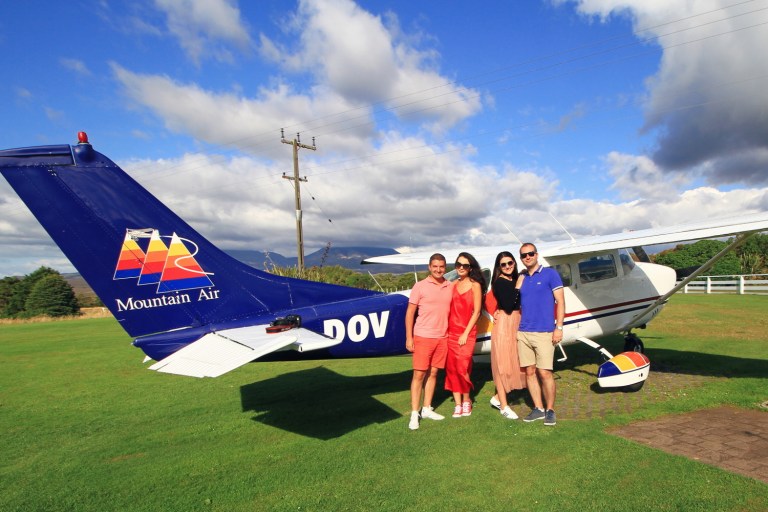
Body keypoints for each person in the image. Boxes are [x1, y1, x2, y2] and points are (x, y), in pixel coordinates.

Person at [517, 243, 565, 426]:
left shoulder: (550, 274)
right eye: (523, 255)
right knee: (529, 372)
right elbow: (514, 300)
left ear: (536, 254)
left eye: (530, 254)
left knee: (544, 372)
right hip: (523, 332)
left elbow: (560, 301)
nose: (527, 257)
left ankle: (550, 409)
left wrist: (558, 327)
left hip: (544, 332)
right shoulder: (521, 277)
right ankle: (538, 408)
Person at [405, 253, 453, 430]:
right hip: (423, 336)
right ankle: (414, 413)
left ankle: (426, 408)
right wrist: (409, 337)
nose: (438, 270)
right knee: (419, 375)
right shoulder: (420, 286)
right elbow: (410, 313)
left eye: (441, 267)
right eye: (435, 266)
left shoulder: (450, 286)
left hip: (442, 337)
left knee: (433, 374)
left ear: (445, 267)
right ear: (429, 267)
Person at [485, 251, 526, 420]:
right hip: (505, 324)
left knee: (516, 362)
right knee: (503, 366)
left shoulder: (515, 279)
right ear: (499, 267)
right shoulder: (500, 282)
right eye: (504, 264)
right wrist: (518, 286)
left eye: (510, 263)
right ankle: (504, 406)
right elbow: (508, 305)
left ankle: (496, 398)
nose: (508, 266)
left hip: (516, 322)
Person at [445, 252, 486, 418]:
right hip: (451, 331)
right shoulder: (452, 284)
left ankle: (467, 400)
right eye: (458, 265)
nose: (461, 268)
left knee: (463, 367)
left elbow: (476, 312)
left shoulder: (475, 285)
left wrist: (465, 333)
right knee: (452, 368)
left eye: (465, 265)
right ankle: (457, 403)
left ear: (470, 268)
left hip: (466, 332)